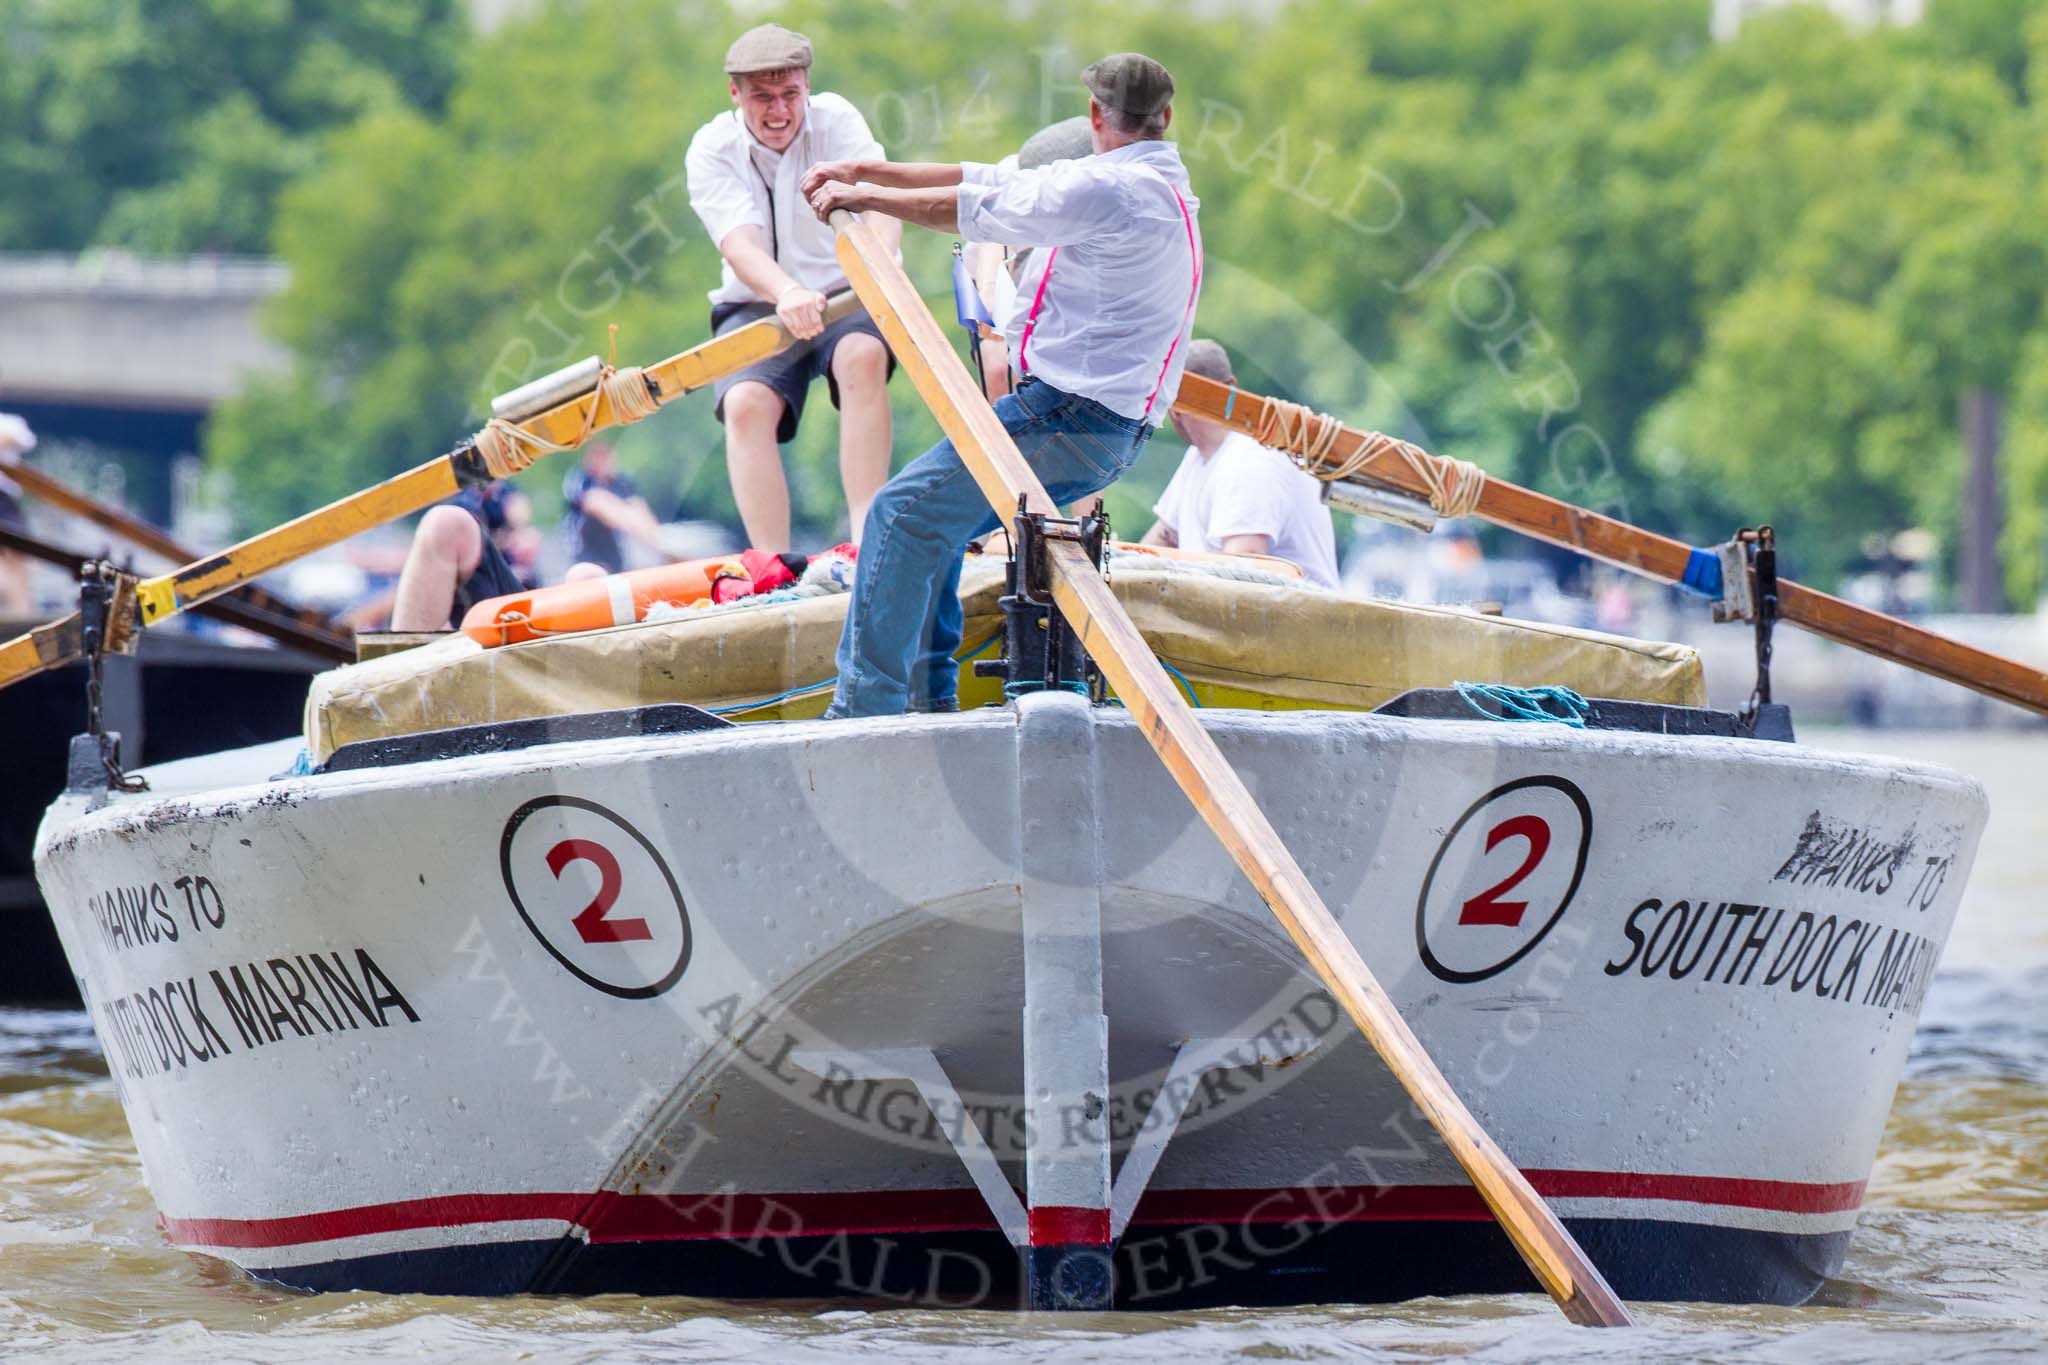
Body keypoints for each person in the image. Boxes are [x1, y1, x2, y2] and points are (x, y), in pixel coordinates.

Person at [801, 52, 1201, 716]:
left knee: (900, 514)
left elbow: (969, 207)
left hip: (1071, 419)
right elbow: (983, 177)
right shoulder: (1158, 180)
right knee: (937, 522)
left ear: (1096, 116)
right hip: (1098, 423)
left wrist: (863, 199)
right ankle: (930, 699)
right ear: (1165, 119)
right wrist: (864, 171)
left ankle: (863, 711)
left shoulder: (1107, 191)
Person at [685, 23, 901, 553]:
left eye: (790, 95)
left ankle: (865, 539)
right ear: (735, 94)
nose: (779, 112)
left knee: (862, 357)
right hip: (758, 299)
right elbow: (738, 243)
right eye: (762, 98)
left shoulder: (837, 121)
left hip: (844, 289)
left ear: (807, 86)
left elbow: (879, 201)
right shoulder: (713, 147)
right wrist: (785, 293)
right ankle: (771, 561)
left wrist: (879, 269)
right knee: (744, 404)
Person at [1142, 340, 1340, 587]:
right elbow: (1161, 540)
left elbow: (1239, 583)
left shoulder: (1250, 460)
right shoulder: (1199, 456)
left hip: (1298, 622)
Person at [390, 481, 578, 632]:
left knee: (583, 574)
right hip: (488, 584)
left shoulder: (506, 494)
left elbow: (523, 526)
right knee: (447, 524)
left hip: (517, 586)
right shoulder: (469, 501)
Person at [561, 441, 660, 574]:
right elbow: (594, 503)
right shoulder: (580, 478)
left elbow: (639, 507)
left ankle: (663, 545)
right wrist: (628, 518)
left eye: (606, 456)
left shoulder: (622, 481)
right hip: (585, 554)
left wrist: (653, 535)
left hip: (614, 554)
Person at [0, 414, 35, 617]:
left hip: (4, 503)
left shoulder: (9, 423)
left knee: (16, 560)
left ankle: (22, 615)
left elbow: (19, 439)